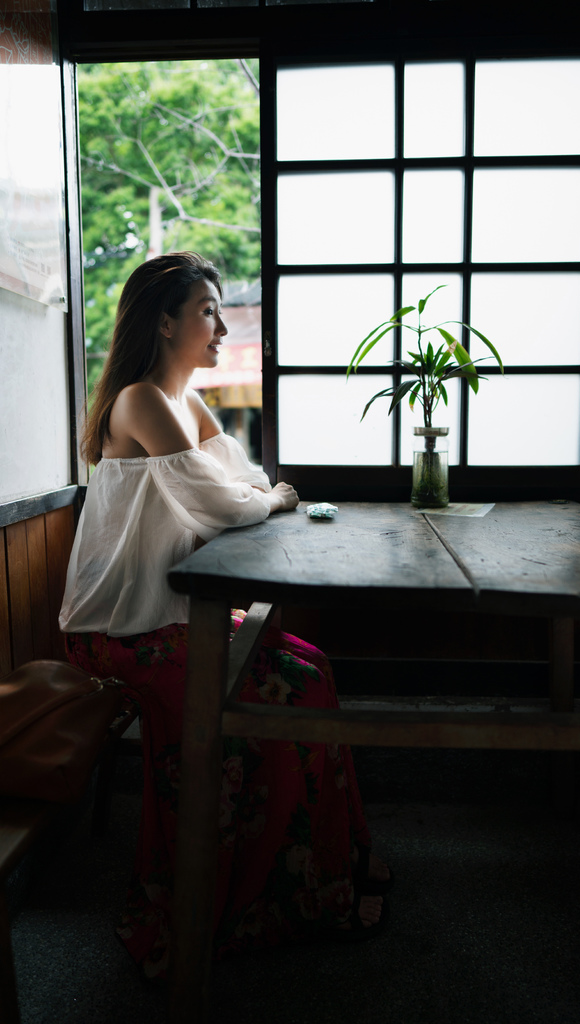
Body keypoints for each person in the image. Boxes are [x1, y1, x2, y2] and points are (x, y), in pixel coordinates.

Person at [59, 251, 391, 982]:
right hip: (120, 630)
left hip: (173, 616)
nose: (221, 326)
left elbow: (238, 481)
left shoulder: (189, 402)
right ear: (165, 319)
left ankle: (316, 880)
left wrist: (257, 494)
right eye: (207, 310)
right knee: (271, 695)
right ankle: (241, 901)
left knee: (309, 669)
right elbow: (231, 500)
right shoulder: (142, 400)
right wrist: (270, 499)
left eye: (219, 309)